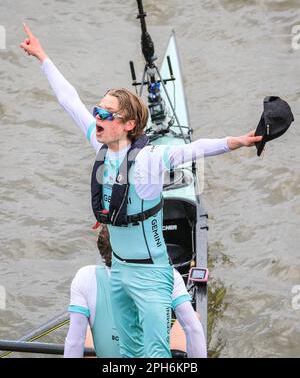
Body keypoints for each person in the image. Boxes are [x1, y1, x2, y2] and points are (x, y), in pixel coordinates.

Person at [20, 24, 262, 358]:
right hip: (118, 269)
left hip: (152, 274)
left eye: (107, 113)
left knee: (156, 356)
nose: (97, 116)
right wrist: (43, 57)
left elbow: (196, 149)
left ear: (129, 124)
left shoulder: (150, 160)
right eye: (98, 110)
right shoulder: (100, 141)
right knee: (126, 353)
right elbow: (69, 100)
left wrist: (238, 141)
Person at [64, 224, 207, 358]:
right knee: (194, 319)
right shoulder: (169, 274)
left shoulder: (85, 277)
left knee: (86, 329)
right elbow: (193, 329)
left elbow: (74, 342)